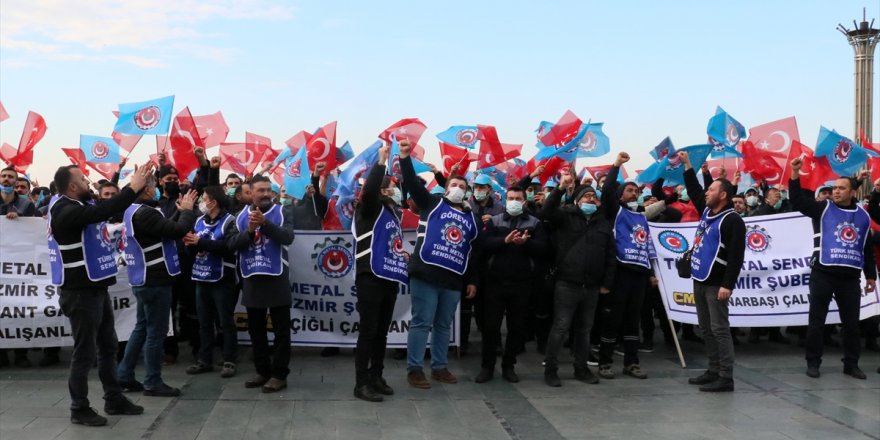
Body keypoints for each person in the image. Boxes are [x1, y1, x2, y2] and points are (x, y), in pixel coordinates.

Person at [48, 163, 153, 426]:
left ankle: (114, 399)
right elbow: (107, 209)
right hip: (80, 293)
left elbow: (107, 208)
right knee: (84, 354)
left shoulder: (79, 206)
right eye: (83, 179)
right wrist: (133, 187)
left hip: (95, 289)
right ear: (72, 186)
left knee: (108, 347)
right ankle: (79, 408)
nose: (88, 182)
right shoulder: (64, 210)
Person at [398, 139, 479, 389]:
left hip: (453, 279)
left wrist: (472, 280)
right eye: (453, 184)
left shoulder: (470, 218)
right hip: (426, 272)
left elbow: (471, 250)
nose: (457, 187)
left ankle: (439, 367)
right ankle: (414, 370)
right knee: (422, 322)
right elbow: (411, 183)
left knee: (444, 325)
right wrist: (404, 156)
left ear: (467, 192)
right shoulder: (432, 203)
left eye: (462, 186)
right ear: (445, 188)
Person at [791, 159, 875, 379]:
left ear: (852, 192)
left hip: (850, 277)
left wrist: (871, 276)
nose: (836, 191)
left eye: (841, 188)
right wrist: (794, 172)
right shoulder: (823, 209)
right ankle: (813, 362)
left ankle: (851, 364)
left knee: (851, 324)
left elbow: (865, 247)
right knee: (816, 321)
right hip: (823, 274)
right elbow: (798, 201)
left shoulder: (863, 216)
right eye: (834, 188)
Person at [117, 176, 197, 397]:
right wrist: (188, 211)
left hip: (143, 279)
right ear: (146, 191)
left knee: (142, 327)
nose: (158, 190)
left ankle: (124, 374)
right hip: (155, 280)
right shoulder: (146, 212)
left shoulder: (133, 210)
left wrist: (180, 212)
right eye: (154, 187)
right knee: (156, 332)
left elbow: (163, 227)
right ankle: (152, 381)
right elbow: (178, 231)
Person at [680, 151, 746, 392]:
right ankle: (713, 368)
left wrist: (727, 285)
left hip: (717, 284)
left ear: (724, 195)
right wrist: (687, 164)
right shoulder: (707, 212)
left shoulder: (733, 220)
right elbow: (695, 189)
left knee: (719, 329)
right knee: (705, 328)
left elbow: (736, 257)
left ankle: (726, 376)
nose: (707, 193)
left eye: (712, 190)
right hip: (700, 278)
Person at [540, 175, 615, 387]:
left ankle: (581, 368)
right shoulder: (565, 216)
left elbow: (610, 254)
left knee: (584, 330)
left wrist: (607, 283)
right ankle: (551, 369)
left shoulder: (603, 223)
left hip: (591, 287)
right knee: (561, 327)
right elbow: (545, 212)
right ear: (577, 200)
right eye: (586, 196)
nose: (591, 199)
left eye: (594, 196)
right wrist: (560, 188)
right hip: (567, 283)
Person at [227, 175, 295, 393]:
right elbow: (231, 244)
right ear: (251, 193)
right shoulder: (239, 217)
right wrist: (248, 231)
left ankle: (279, 375)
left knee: (281, 331)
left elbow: (287, 237)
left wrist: (264, 225)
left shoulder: (283, 212)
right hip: (252, 279)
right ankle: (262, 371)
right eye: (261, 190)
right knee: (256, 330)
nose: (266, 194)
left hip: (276, 278)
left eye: (268, 190)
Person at [351, 145, 408, 402]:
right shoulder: (370, 208)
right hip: (370, 277)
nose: (397, 191)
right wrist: (382, 162)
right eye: (393, 186)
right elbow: (370, 190)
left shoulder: (392, 214)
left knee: (382, 332)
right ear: (383, 191)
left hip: (388, 279)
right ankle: (361, 383)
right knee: (369, 331)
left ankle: (377, 376)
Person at [475, 185, 547, 383]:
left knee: (516, 328)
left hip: (522, 284)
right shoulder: (495, 221)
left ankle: (509, 366)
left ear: (524, 201)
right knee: (491, 328)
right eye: (511, 198)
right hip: (495, 282)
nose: (514, 201)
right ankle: (487, 367)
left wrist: (527, 244)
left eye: (517, 198)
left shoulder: (534, 223)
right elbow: (484, 245)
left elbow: (543, 249)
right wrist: (504, 241)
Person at [596, 152, 652, 380]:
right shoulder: (615, 211)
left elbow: (646, 245)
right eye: (630, 191)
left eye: (637, 192)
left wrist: (650, 273)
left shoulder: (642, 217)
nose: (634, 194)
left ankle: (632, 362)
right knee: (613, 319)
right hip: (619, 273)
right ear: (620, 197)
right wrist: (617, 165)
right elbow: (608, 190)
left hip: (639, 275)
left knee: (632, 320)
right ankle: (605, 362)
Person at [183, 186, 239, 379]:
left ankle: (229, 359)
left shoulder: (230, 221)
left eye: (203, 199)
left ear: (213, 202)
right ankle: (204, 359)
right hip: (201, 276)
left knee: (225, 321)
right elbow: (193, 247)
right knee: (204, 322)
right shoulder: (199, 221)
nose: (201, 203)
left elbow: (228, 247)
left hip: (222, 278)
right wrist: (190, 244)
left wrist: (199, 243)